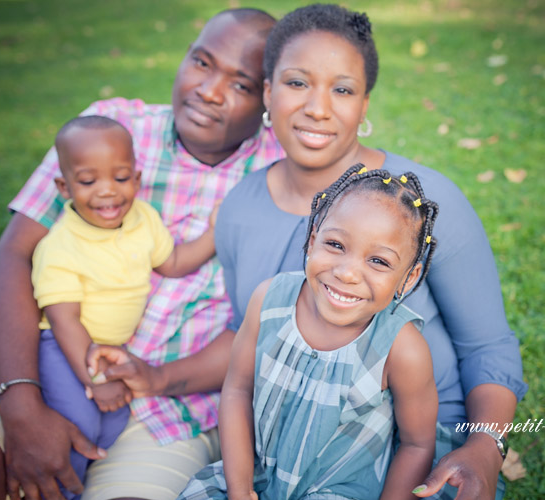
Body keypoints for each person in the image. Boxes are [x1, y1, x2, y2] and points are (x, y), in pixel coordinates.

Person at [87, 4, 527, 498]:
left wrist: (484, 449)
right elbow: (249, 335)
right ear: (268, 93)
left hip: (417, 447)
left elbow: (486, 347)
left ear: (364, 107)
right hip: (285, 447)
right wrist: (158, 377)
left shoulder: (422, 205)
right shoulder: (240, 209)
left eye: (342, 89)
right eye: (297, 83)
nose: (318, 107)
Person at [0, 8, 283, 500]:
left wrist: (158, 378)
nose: (209, 90)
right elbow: (15, 256)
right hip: (44, 357)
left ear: (269, 101)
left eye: (241, 84)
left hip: (172, 409)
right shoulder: (112, 131)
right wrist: (21, 404)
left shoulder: (279, 176)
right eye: (201, 62)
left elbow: (261, 327)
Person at [177, 166, 439, 500]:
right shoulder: (269, 300)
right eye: (335, 244)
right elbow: (238, 391)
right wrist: (240, 490)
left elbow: (417, 444)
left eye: (379, 261)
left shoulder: (402, 348)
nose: (347, 273)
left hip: (340, 490)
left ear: (410, 276)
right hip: (253, 476)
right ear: (313, 239)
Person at [33, 115, 228, 498]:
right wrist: (97, 380)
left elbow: (172, 263)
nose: (108, 192)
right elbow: (64, 320)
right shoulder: (59, 247)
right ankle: (60, 490)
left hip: (112, 352)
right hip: (66, 348)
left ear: (137, 180)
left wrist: (214, 233)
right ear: (64, 186)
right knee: (80, 421)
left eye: (120, 178)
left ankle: (87, 473)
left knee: (113, 419)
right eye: (88, 182)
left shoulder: (143, 219)